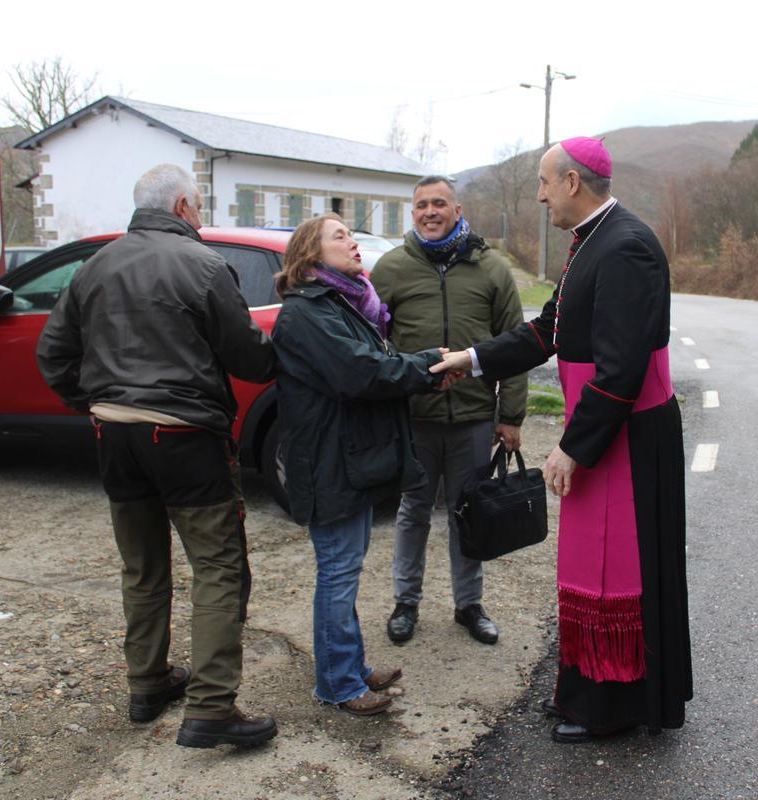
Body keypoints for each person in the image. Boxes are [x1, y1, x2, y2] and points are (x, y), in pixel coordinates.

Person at [431, 138, 693, 743]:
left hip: (627, 436)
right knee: (588, 564)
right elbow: (546, 329)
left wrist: (573, 445)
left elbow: (621, 368)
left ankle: (616, 707)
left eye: (545, 183)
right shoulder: (592, 242)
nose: (540, 194)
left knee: (619, 568)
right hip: (607, 427)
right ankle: (586, 693)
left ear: (573, 182)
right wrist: (470, 359)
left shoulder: (626, 247)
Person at [36, 164, 278, 748]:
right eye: (197, 206)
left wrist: (96, 401)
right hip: (185, 437)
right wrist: (277, 352)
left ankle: (147, 683)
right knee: (218, 568)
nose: (199, 215)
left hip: (114, 435)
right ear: (182, 207)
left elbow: (52, 354)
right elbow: (248, 358)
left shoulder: (95, 265)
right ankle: (213, 707)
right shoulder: (202, 265)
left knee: (142, 566)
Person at [271, 213, 447, 716]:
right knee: (338, 573)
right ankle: (338, 684)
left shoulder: (340, 305)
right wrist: (429, 365)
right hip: (328, 465)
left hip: (346, 462)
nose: (352, 241)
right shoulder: (306, 313)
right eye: (339, 235)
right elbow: (360, 371)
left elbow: (369, 365)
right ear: (311, 254)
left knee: (344, 570)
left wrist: (420, 369)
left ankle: (348, 666)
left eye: (350, 233)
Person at [369, 176, 528, 646]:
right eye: (421, 205)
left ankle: (468, 604)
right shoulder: (392, 269)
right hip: (413, 418)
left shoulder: (492, 269)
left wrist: (511, 415)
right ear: (412, 213)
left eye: (439, 203)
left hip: (475, 418)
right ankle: (406, 602)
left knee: (468, 512)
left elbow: (517, 346)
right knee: (413, 509)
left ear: (458, 210)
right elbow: (370, 343)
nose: (430, 212)